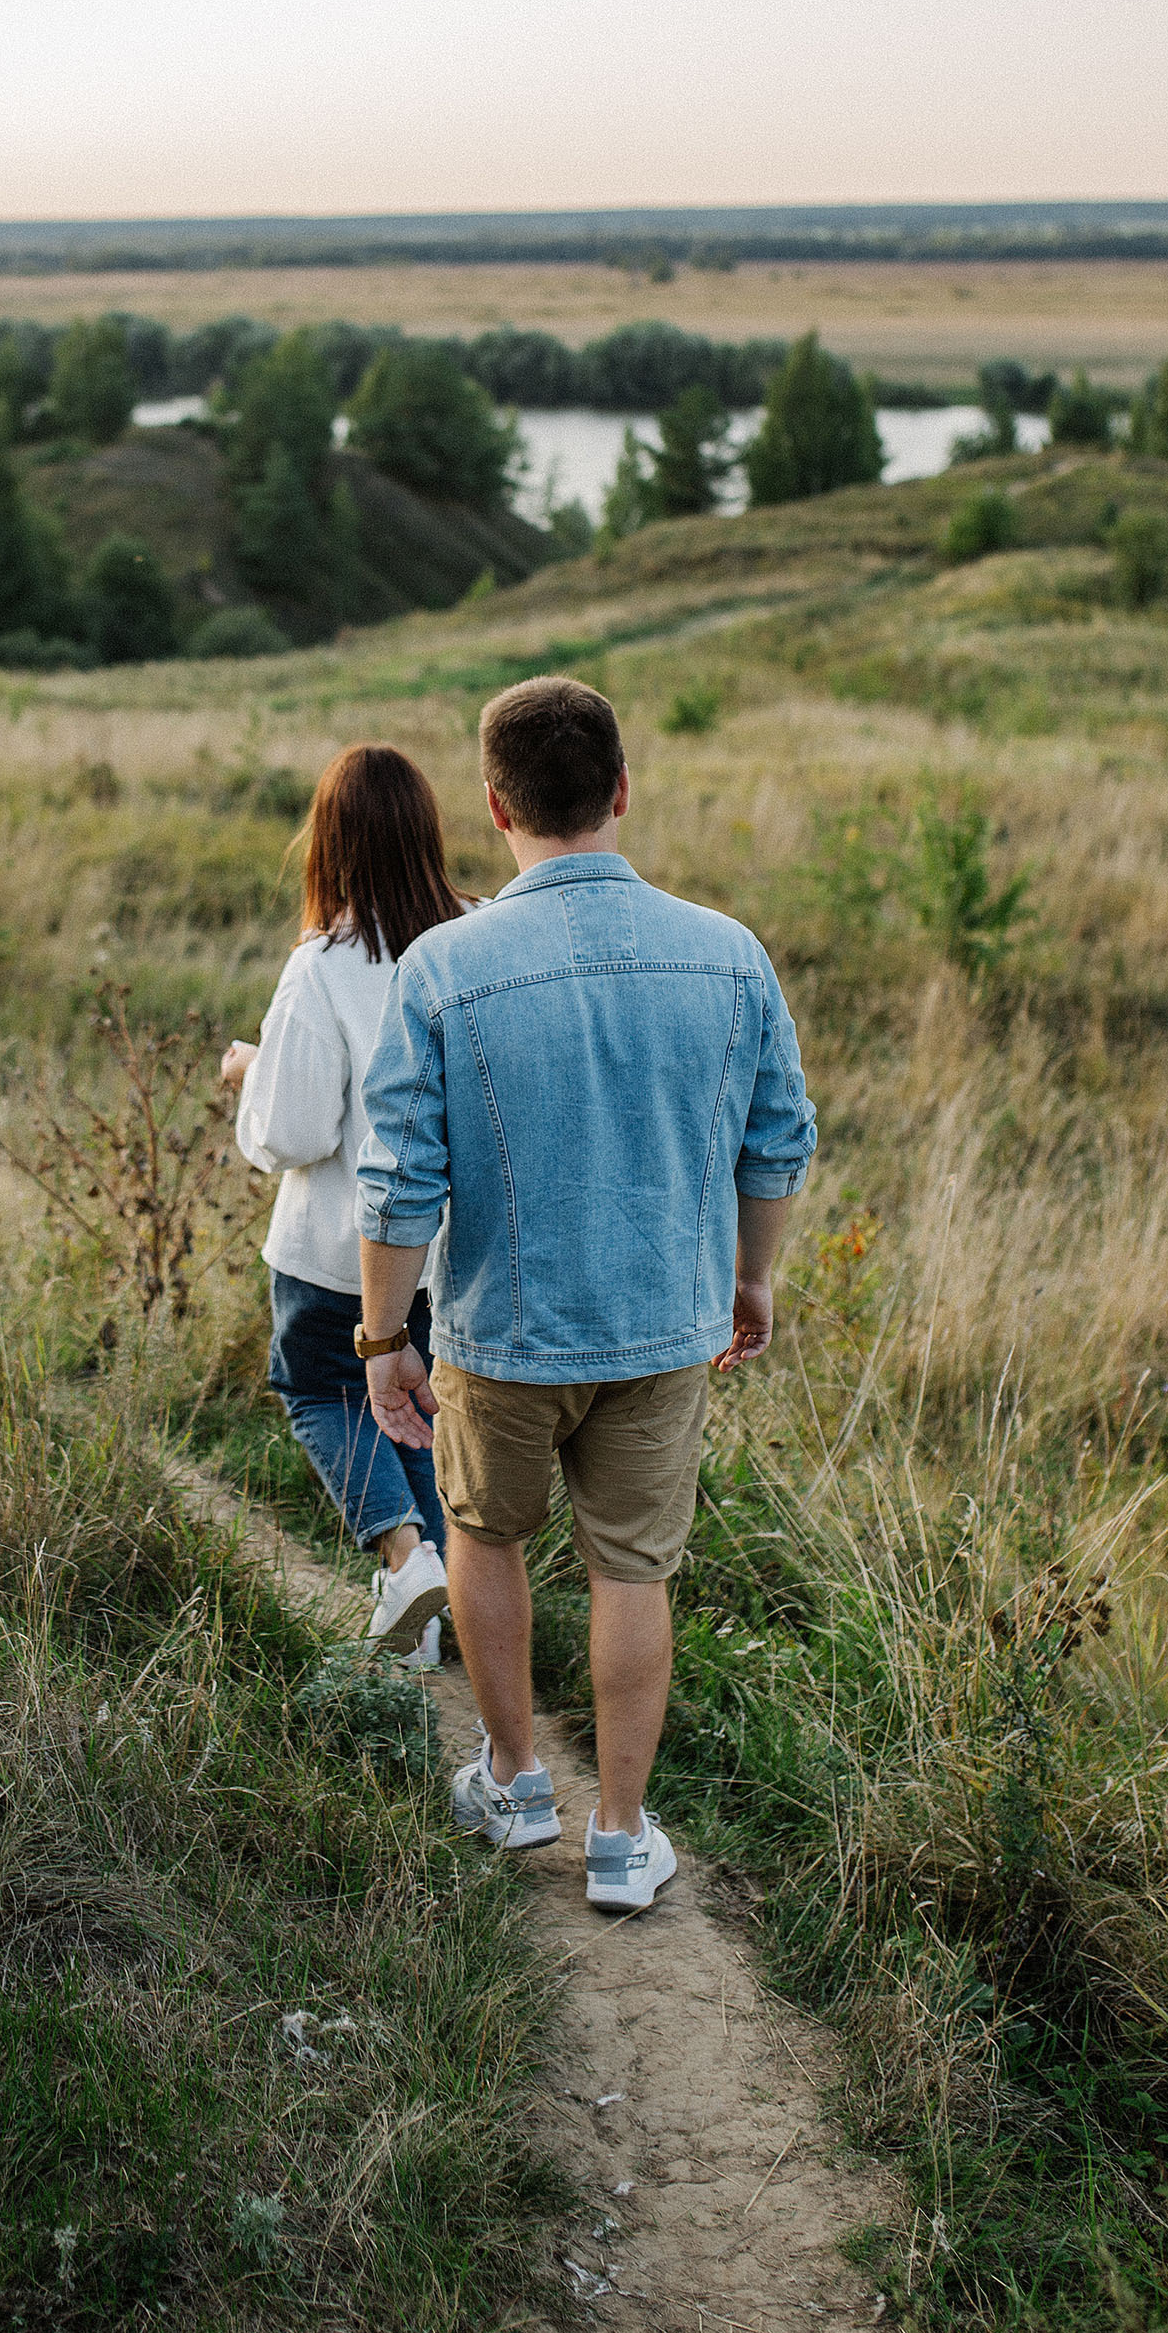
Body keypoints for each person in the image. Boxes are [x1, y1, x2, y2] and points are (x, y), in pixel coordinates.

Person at [353, 676, 815, 1910]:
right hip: (666, 1327)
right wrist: (748, 1277)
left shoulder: (447, 969)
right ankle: (618, 1837)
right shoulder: (726, 955)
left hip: (499, 1333)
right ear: (619, 792)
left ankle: (512, 1783)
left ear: (494, 808)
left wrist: (381, 1336)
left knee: (485, 1537)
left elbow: (396, 1186)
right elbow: (777, 1144)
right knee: (631, 1573)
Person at [221, 744, 472, 1662]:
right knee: (417, 1413)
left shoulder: (324, 965)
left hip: (337, 1251)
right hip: (450, 1256)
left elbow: (292, 1133)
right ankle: (432, 1617)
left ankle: (405, 1557)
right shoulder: (477, 938)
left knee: (321, 1390)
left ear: (327, 844)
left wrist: (251, 1073)